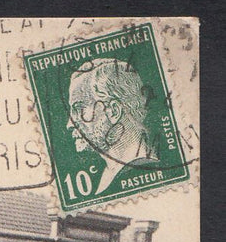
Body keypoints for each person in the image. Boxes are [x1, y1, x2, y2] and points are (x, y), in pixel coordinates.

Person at [67, 58, 162, 196]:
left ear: (113, 111)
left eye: (79, 109)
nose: (70, 124)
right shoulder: (107, 173)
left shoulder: (142, 167)